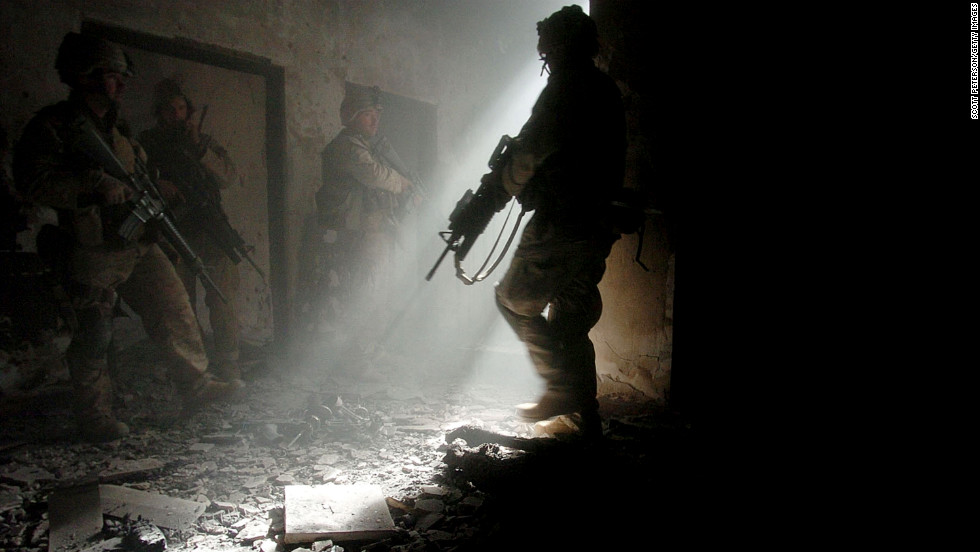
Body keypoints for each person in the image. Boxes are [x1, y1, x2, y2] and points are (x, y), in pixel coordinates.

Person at [13, 33, 243, 442]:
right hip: (93, 247)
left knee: (174, 308)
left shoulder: (119, 129)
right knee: (95, 332)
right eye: (111, 75)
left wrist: (156, 191)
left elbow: (139, 175)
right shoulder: (54, 127)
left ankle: (197, 386)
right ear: (84, 76)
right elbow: (32, 182)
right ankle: (95, 414)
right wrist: (90, 185)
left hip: (136, 241)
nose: (119, 84)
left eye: (122, 76)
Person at [484, 5, 626, 437]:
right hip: (598, 225)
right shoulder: (606, 89)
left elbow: (530, 151)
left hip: (563, 221)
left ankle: (560, 387)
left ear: (559, 49)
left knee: (512, 299)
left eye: (548, 53)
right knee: (570, 318)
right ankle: (583, 417)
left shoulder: (567, 88)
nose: (546, 62)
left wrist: (494, 193)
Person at [138, 79, 243, 382]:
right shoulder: (147, 145)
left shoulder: (203, 142)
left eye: (182, 108)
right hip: (171, 231)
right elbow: (132, 178)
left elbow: (228, 176)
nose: (177, 115)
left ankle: (228, 361)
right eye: (170, 110)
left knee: (223, 295)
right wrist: (158, 185)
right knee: (180, 305)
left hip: (209, 229)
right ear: (160, 113)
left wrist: (199, 148)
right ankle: (196, 369)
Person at [313, 85, 416, 366]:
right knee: (359, 295)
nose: (374, 121)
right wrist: (401, 182)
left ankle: (369, 351)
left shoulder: (368, 147)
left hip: (372, 233)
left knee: (376, 293)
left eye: (376, 115)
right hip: (352, 236)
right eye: (368, 115)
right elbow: (374, 175)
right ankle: (356, 358)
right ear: (352, 116)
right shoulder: (346, 146)